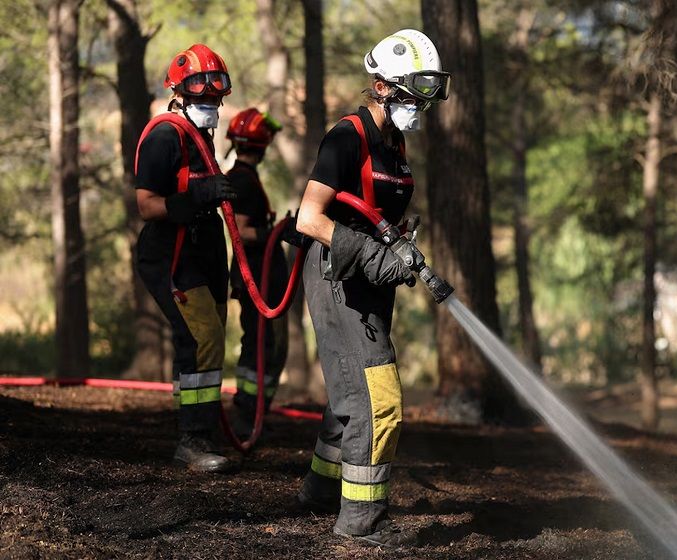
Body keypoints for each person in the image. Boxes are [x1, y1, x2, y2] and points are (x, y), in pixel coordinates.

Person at [294, 29, 450, 546]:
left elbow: (380, 215)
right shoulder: (347, 137)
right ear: (381, 86)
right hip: (338, 278)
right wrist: (371, 253)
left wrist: (399, 246)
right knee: (378, 400)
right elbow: (309, 218)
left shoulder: (394, 141)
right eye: (412, 95)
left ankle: (320, 489)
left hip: (370, 283)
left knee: (349, 388)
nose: (419, 107)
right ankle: (363, 521)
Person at [135, 44, 237, 473]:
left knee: (209, 337)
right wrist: (195, 196)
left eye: (216, 94)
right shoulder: (164, 135)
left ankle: (203, 430)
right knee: (201, 338)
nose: (209, 101)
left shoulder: (203, 136)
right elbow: (147, 206)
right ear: (179, 92)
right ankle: (192, 441)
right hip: (171, 252)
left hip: (205, 247)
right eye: (201, 92)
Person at [225, 108, 289, 435]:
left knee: (268, 343)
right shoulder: (241, 181)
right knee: (263, 343)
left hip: (262, 274)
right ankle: (248, 412)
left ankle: (255, 410)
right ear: (261, 147)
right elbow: (240, 231)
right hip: (256, 276)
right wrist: (275, 232)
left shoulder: (244, 178)